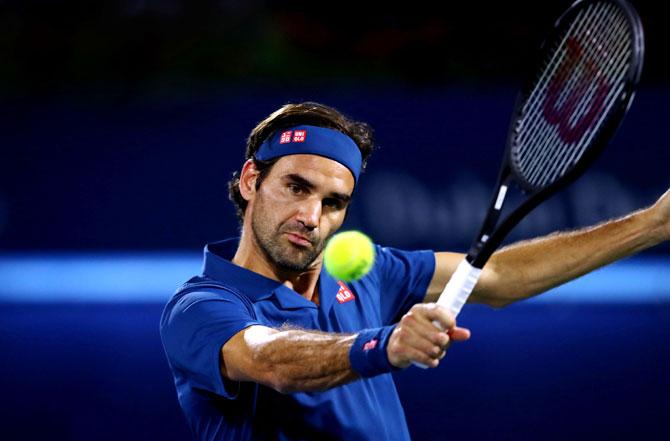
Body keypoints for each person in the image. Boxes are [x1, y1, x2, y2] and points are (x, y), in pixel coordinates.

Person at [160, 102, 669, 441]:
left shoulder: (368, 272)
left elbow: (497, 278)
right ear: (251, 180)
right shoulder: (201, 306)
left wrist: (652, 224)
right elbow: (270, 360)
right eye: (296, 187)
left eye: (334, 203)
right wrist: (385, 345)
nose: (312, 217)